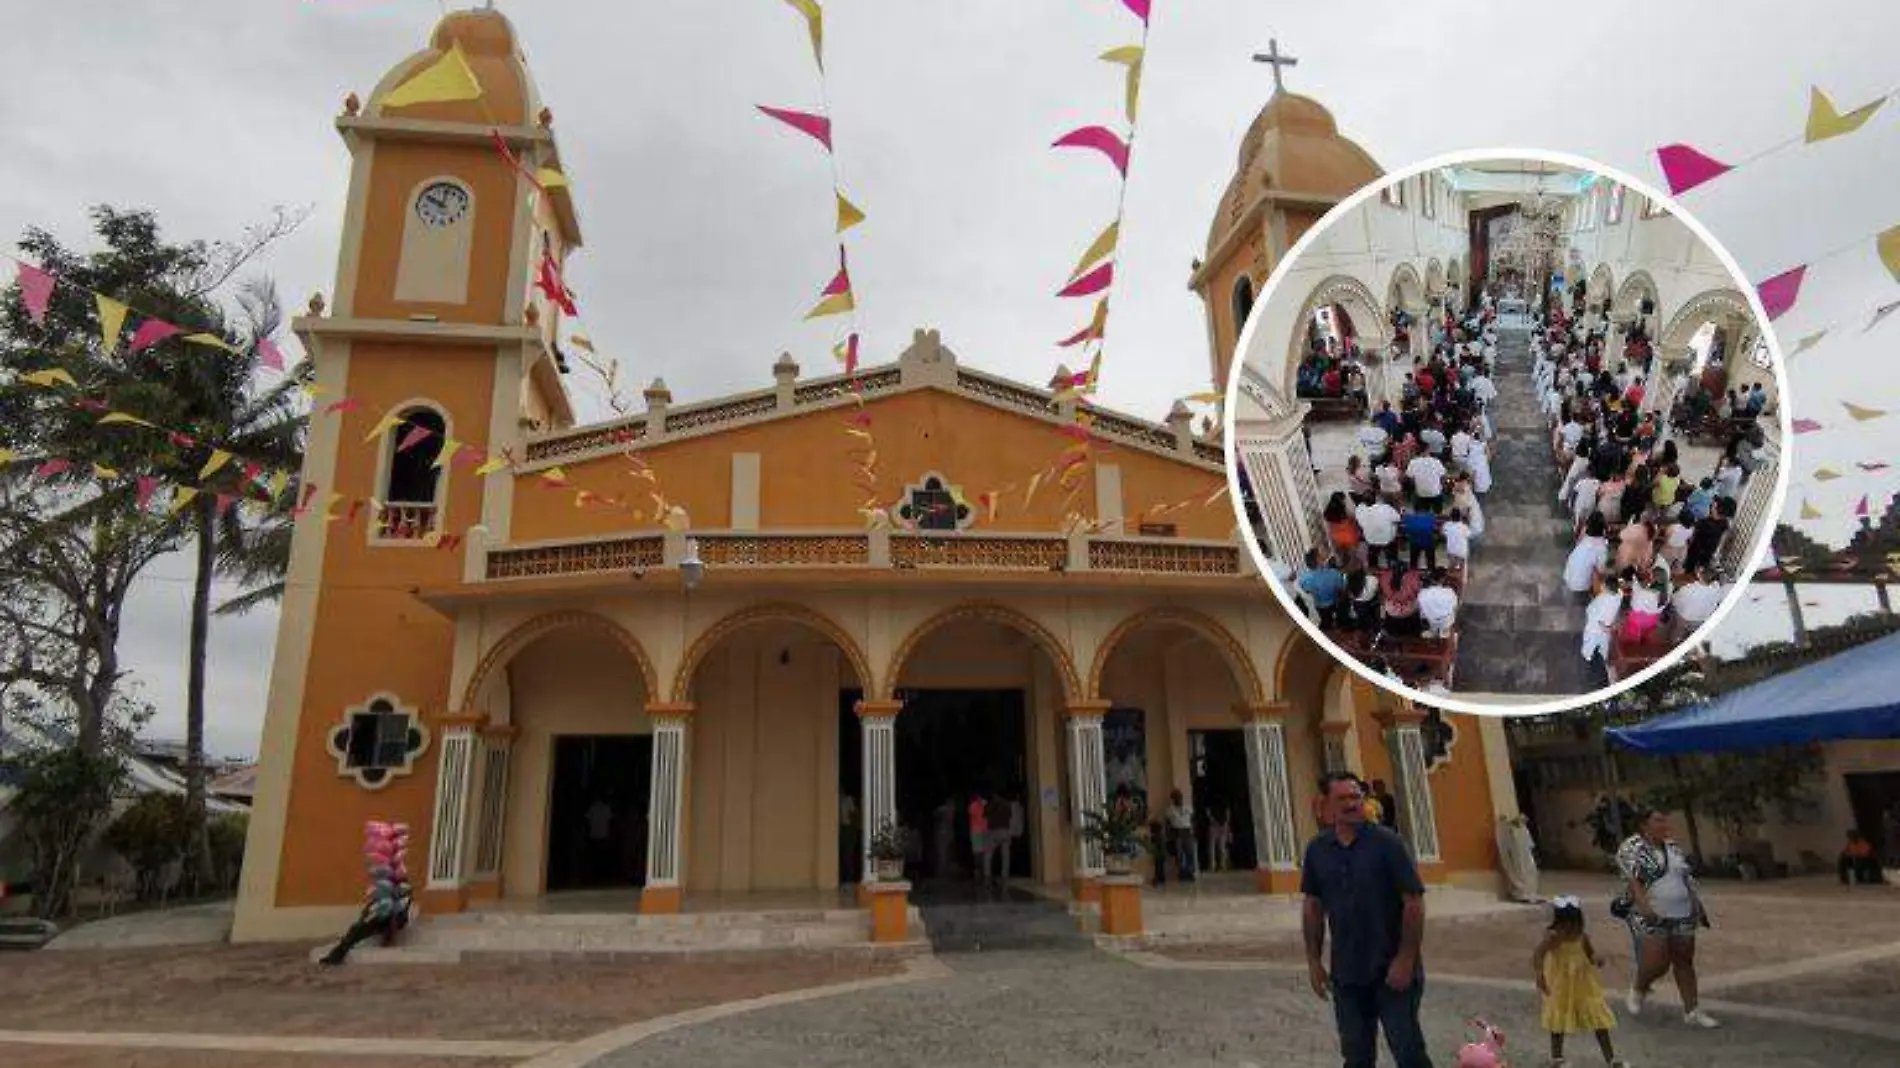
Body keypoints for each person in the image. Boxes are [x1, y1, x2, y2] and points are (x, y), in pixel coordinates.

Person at [1302, 772, 1433, 1068]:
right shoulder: (1318, 850)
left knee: (1408, 1050)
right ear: (1325, 805)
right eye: (1343, 798)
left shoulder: (1388, 844)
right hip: (1347, 972)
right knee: (1356, 1056)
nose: (1351, 804)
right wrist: (1313, 960)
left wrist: (1406, 959)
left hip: (1391, 969)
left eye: (1356, 797)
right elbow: (1313, 905)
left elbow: (1413, 902)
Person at [1617, 810, 1718, 1028]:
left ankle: (1692, 1010)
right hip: (1652, 913)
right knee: (1657, 962)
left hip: (1681, 912)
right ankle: (1639, 987)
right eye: (1658, 820)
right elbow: (1633, 881)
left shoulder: (1673, 847)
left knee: (1684, 960)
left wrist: (1696, 906)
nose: (1664, 824)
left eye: (1665, 820)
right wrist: (1645, 907)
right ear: (1645, 825)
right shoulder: (1632, 847)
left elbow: (1686, 878)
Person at [1534, 897, 1625, 1068]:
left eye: (1575, 923)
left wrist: (1597, 960)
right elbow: (1538, 954)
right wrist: (1540, 974)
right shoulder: (1553, 938)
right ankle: (1557, 1058)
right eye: (1567, 924)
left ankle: (1611, 1058)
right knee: (1558, 1021)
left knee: (1598, 1018)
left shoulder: (1582, 937)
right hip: (1561, 985)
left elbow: (1590, 954)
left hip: (1584, 984)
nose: (1571, 928)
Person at [1565, 515, 1611, 601]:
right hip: (1581, 589)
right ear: (1604, 530)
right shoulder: (1601, 547)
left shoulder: (1584, 539)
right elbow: (1601, 572)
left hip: (1568, 579)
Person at [1300, 550, 1349, 631]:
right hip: (1334, 603)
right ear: (1318, 560)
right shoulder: (1334, 573)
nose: (1324, 556)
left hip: (1319, 607)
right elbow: (1342, 588)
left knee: (1326, 624)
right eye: (1320, 555)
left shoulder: (1304, 579)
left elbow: (1306, 591)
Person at [1165, 788, 1197, 882]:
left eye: (1180, 797)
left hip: (1187, 831)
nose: (1179, 799)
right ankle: (1181, 872)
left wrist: (1193, 831)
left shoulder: (1188, 808)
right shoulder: (1170, 810)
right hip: (1177, 831)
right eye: (1176, 798)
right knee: (1179, 854)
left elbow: (1192, 820)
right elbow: (1168, 823)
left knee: (1190, 852)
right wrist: (1169, 836)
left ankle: (1190, 872)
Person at [1418, 569, 1458, 640]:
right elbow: (1454, 607)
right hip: (1447, 621)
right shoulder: (1449, 592)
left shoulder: (1422, 593)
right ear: (1443, 579)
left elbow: (1421, 610)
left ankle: (1433, 631)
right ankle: (1444, 631)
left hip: (1430, 621)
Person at [1401, 505, 1439, 572]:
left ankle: (1412, 571)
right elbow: (1435, 529)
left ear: (1415, 510)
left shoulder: (1408, 518)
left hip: (1414, 542)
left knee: (1413, 561)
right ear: (1427, 510)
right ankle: (1431, 570)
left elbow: (1404, 530)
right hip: (1428, 542)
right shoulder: (1431, 517)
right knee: (1430, 560)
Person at [967, 791, 991, 884]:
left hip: (981, 831)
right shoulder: (975, 806)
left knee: (982, 853)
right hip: (978, 831)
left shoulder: (980, 805)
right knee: (979, 853)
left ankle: (982, 873)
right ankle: (979, 873)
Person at [1441, 508, 1471, 573]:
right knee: (1462, 566)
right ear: (1460, 516)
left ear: (1451, 516)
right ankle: (1462, 578)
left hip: (1451, 551)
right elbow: (1469, 535)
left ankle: (1448, 576)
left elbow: (1442, 533)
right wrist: (1467, 522)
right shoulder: (1464, 526)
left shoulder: (1446, 525)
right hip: (1461, 552)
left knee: (1451, 566)